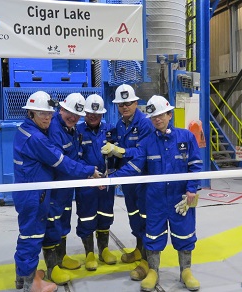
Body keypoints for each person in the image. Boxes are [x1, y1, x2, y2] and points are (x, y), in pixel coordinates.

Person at [107, 95, 203, 291]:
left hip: (180, 199)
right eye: (153, 117)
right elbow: (135, 165)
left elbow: (195, 165)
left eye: (160, 115)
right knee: (153, 236)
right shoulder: (148, 141)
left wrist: (192, 189)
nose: (157, 119)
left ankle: (186, 271)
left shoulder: (186, 137)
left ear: (169, 114)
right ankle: (153, 271)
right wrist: (111, 178)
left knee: (184, 235)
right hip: (155, 199)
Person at [12, 91, 101, 292]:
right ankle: (31, 284)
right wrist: (90, 172)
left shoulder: (28, 131)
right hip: (35, 195)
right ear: (31, 114)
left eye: (49, 114)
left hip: (35, 192)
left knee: (27, 236)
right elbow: (60, 161)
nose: (47, 118)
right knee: (32, 238)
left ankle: (23, 277)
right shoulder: (36, 138)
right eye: (42, 114)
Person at [101, 84, 153, 271]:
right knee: (134, 216)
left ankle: (147, 259)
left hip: (142, 178)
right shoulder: (120, 124)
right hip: (129, 180)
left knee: (146, 217)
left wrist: (121, 151)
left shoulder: (145, 123)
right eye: (121, 104)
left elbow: (142, 153)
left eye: (128, 103)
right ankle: (139, 249)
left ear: (136, 102)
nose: (125, 107)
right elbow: (119, 152)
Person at [42, 92, 88, 285]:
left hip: (66, 187)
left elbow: (75, 157)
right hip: (54, 186)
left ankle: (61, 257)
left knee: (63, 221)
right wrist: (87, 171)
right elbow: (61, 162)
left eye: (77, 115)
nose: (73, 118)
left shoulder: (72, 130)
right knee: (52, 223)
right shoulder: (54, 129)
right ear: (61, 109)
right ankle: (52, 268)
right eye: (70, 113)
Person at [76, 94, 117, 271]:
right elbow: (74, 159)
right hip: (86, 182)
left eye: (97, 114)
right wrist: (89, 175)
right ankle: (89, 253)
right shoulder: (77, 131)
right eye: (90, 114)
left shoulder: (110, 130)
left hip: (106, 182)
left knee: (105, 214)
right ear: (84, 112)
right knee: (86, 216)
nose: (93, 116)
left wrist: (110, 174)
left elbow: (118, 154)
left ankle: (104, 249)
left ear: (102, 114)